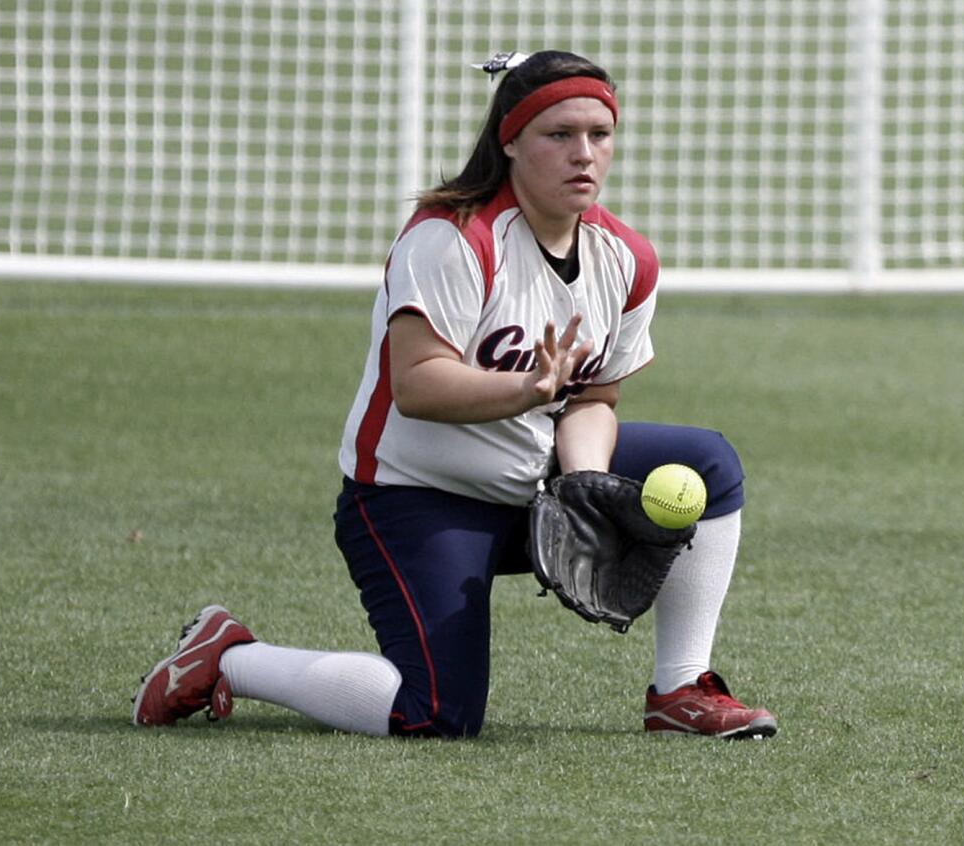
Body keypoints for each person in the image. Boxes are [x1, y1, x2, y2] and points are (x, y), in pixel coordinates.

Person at [132, 50, 777, 740]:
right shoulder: (454, 237)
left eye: (600, 134)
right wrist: (528, 388)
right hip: (415, 497)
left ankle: (680, 688)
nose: (584, 154)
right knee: (436, 715)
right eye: (558, 135)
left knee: (707, 461)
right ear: (510, 141)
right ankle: (232, 658)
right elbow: (418, 386)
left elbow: (593, 399)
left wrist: (586, 483)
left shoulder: (626, 259)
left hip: (532, 481)